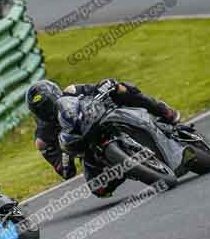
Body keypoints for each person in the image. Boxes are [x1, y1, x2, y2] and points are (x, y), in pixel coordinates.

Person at [26, 78, 181, 197]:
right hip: (87, 149)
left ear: (56, 94)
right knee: (99, 189)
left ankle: (163, 111)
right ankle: (128, 168)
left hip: (101, 118)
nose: (47, 111)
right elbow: (66, 172)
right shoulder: (43, 138)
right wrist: (65, 154)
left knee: (121, 88)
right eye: (42, 110)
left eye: (49, 105)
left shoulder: (71, 91)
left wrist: (106, 85)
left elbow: (95, 88)